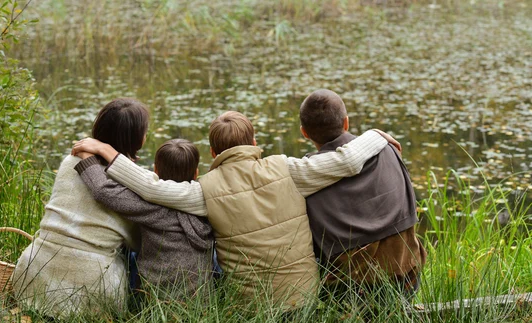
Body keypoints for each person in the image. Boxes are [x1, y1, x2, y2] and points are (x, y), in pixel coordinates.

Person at [71, 111, 397, 309]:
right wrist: (373, 136)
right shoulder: (289, 170)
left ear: (212, 152)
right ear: (254, 142)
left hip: (250, 309)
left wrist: (104, 150)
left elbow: (151, 187)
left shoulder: (205, 191)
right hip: (304, 302)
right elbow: (347, 161)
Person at [12, 98, 147, 317]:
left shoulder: (70, 161)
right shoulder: (131, 183)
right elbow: (137, 242)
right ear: (138, 139)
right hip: (93, 292)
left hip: (32, 277)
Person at [299, 89, 426, 298]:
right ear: (346, 122)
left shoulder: (307, 178)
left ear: (304, 132)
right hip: (406, 280)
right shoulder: (389, 149)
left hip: (348, 293)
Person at [74, 139, 214, 300]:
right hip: (201, 302)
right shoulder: (207, 200)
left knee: (127, 252)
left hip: (155, 300)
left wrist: (87, 158)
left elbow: (103, 191)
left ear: (155, 170)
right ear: (196, 173)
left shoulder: (149, 206)